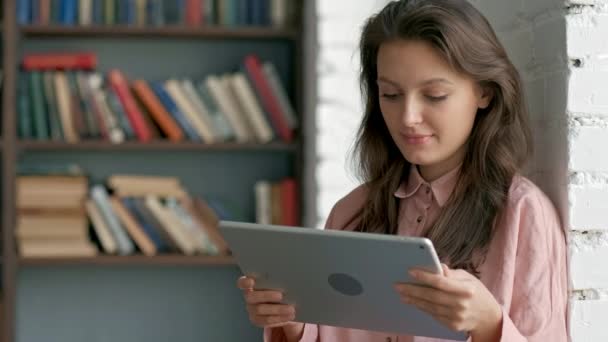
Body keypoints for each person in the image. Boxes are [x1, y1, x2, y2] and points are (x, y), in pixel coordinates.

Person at [237, 0, 569, 341]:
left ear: (484, 91)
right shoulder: (351, 214)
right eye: (391, 94)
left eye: (435, 95)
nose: (407, 117)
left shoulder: (523, 214)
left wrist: (488, 323)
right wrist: (290, 322)